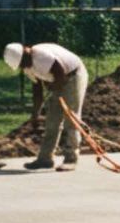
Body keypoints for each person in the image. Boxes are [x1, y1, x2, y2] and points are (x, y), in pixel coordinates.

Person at [5, 42, 89, 171]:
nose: (23, 67)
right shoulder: (27, 65)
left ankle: (71, 158)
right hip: (58, 80)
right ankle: (45, 159)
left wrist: (55, 89)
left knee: (71, 118)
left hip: (73, 75)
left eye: (22, 64)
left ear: (25, 54)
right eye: (21, 66)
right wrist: (35, 113)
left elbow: (60, 74)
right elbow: (37, 91)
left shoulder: (41, 56)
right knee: (52, 120)